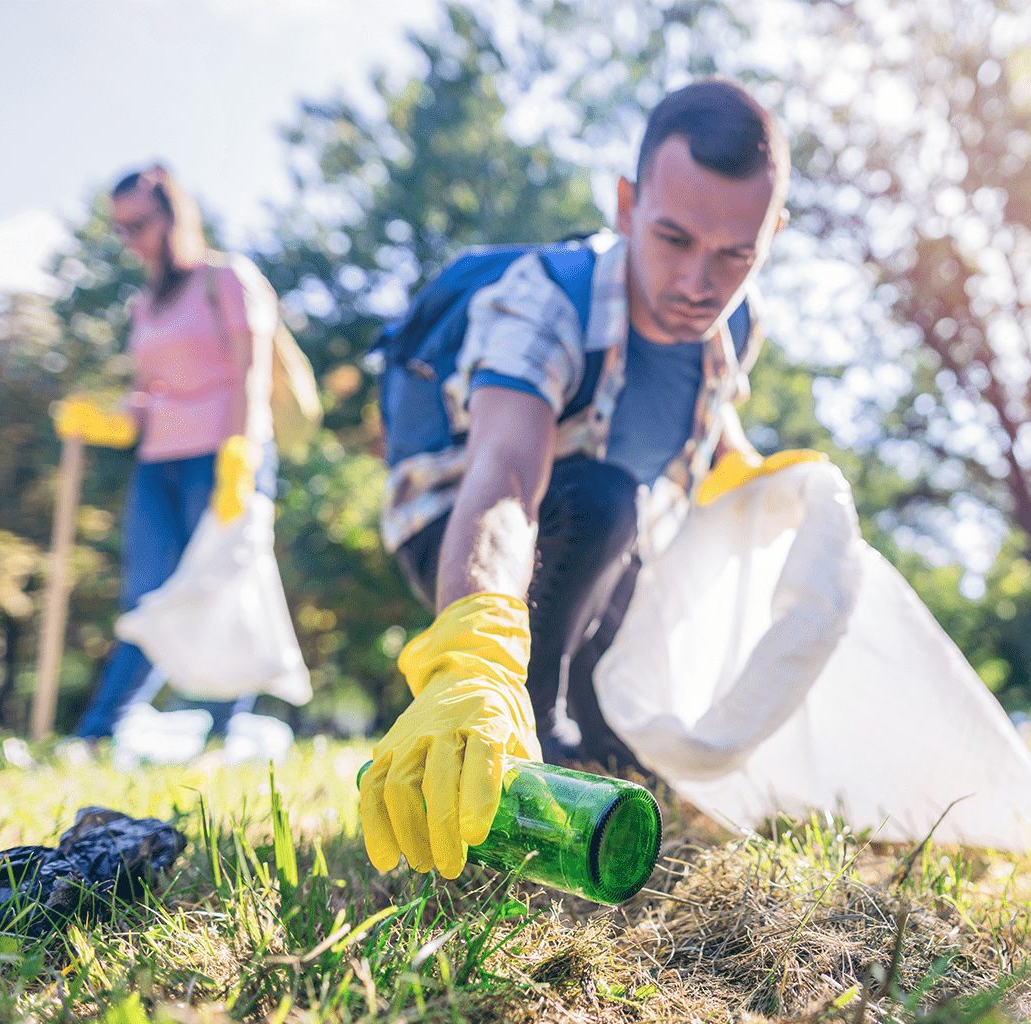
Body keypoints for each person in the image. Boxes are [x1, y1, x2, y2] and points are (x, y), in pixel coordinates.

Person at [360, 80, 821, 879]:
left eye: (734, 255)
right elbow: (505, 477)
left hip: (607, 551)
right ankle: (525, 734)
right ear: (624, 204)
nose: (696, 284)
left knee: (623, 710)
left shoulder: (736, 325)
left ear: (771, 235)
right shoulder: (545, 300)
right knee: (610, 501)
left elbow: (709, 430)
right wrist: (475, 653)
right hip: (464, 530)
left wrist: (763, 479)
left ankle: (591, 742)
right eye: (673, 238)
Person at [63, 165, 281, 740]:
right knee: (149, 599)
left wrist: (242, 453)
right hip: (159, 461)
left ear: (172, 215)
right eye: (120, 228)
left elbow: (249, 372)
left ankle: (222, 734)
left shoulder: (227, 278)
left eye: (139, 223)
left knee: (220, 589)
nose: (130, 239)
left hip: (223, 454)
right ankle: (99, 733)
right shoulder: (145, 303)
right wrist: (105, 419)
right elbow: (150, 396)